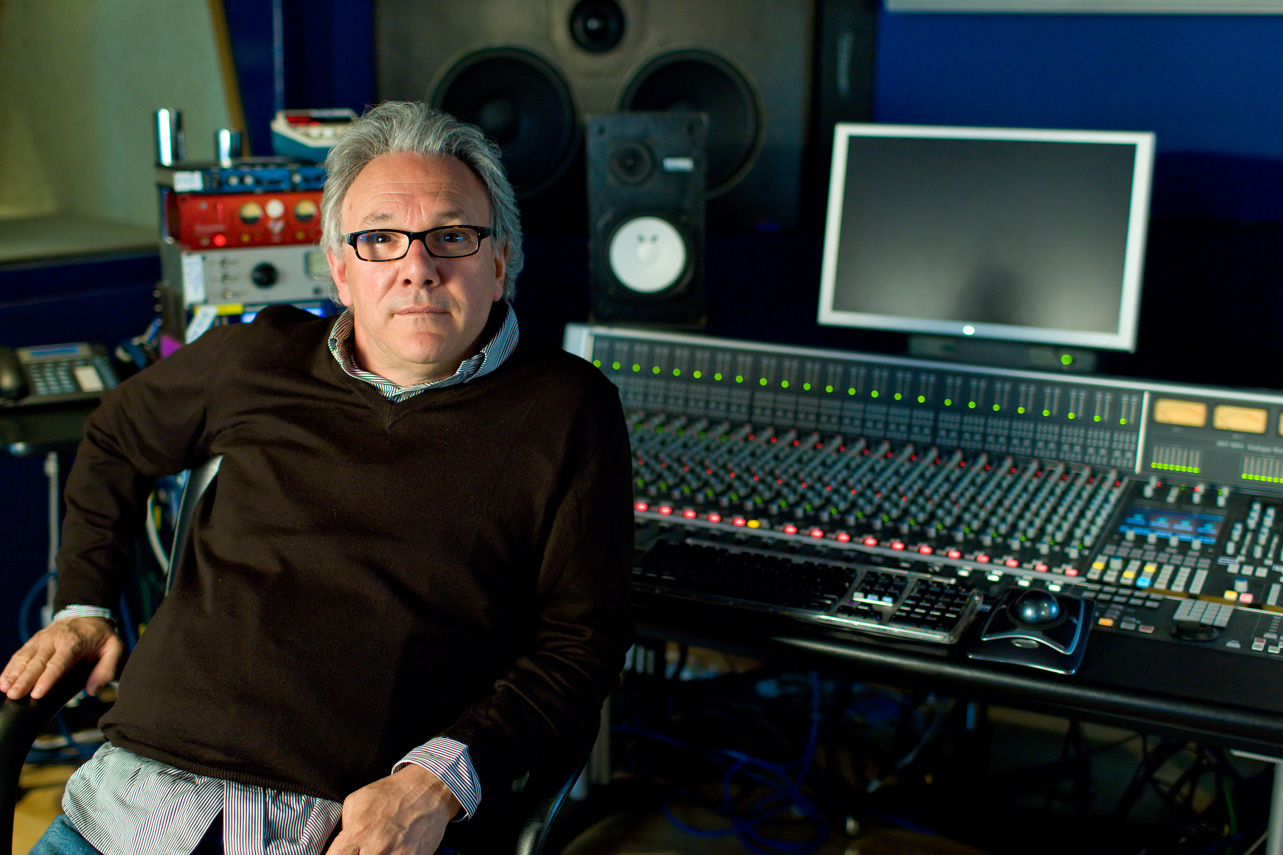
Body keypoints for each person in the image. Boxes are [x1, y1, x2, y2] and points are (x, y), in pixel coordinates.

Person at [0, 100, 634, 855]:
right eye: (379, 239)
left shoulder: (568, 410)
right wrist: (83, 603)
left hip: (351, 827)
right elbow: (115, 436)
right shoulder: (253, 357)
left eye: (452, 236)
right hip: (133, 808)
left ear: (499, 261)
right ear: (339, 270)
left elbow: (580, 644)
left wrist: (434, 784)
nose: (417, 267)